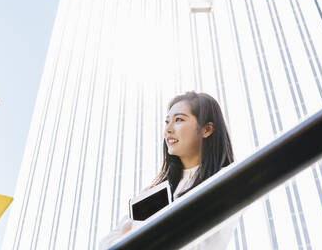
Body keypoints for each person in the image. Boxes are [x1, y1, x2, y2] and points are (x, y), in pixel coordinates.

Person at [100, 91, 236, 249]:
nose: (168, 130)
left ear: (206, 129)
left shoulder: (225, 182)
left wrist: (131, 229)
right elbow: (106, 243)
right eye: (167, 122)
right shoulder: (154, 191)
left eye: (178, 120)